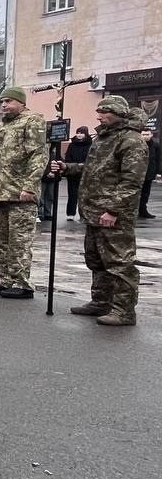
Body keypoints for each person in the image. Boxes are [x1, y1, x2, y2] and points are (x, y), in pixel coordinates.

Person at [50, 96, 148, 326]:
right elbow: (93, 169)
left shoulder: (131, 141)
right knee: (96, 260)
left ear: (118, 113)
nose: (99, 116)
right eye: (99, 111)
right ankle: (101, 301)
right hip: (93, 211)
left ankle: (124, 310)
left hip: (113, 215)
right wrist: (67, 168)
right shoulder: (104, 138)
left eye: (105, 112)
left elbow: (131, 182)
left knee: (119, 264)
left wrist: (113, 210)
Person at [0, 86, 47, 299]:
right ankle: (6, 280)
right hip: (0, 191)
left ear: (21, 102)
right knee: (2, 239)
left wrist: (29, 186)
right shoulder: (0, 127)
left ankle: (22, 282)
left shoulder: (32, 121)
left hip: (21, 193)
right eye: (2, 101)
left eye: (9, 101)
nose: (4, 105)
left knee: (19, 241)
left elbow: (38, 156)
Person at [63, 126, 91, 220]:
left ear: (85, 134)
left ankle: (84, 214)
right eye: (78, 133)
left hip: (85, 174)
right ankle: (70, 214)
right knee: (72, 194)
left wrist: (83, 165)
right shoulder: (72, 145)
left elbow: (91, 158)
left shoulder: (90, 144)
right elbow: (68, 158)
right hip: (72, 174)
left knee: (84, 195)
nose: (79, 135)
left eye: (81, 133)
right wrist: (73, 166)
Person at [139, 125, 160, 219]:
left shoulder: (155, 145)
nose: (145, 136)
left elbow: (158, 159)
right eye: (143, 134)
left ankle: (143, 210)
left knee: (145, 193)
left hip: (149, 173)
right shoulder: (137, 144)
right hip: (137, 174)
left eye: (147, 134)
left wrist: (157, 171)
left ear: (151, 135)